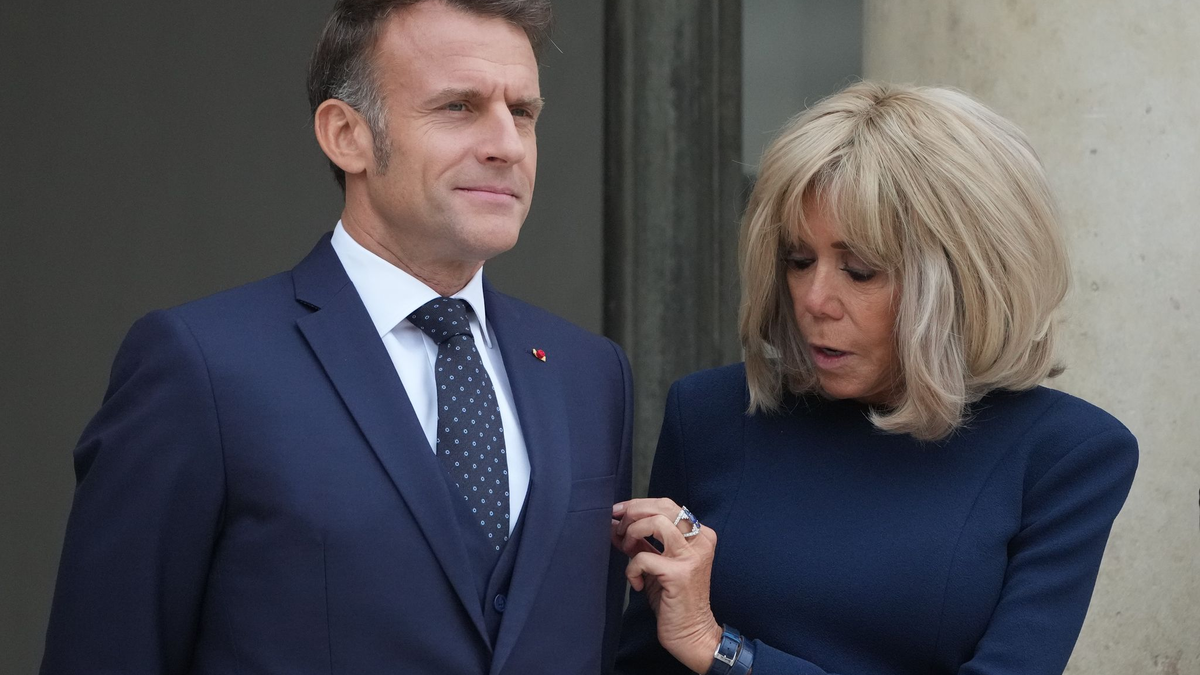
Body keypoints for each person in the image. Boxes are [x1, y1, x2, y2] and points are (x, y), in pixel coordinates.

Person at [40, 1, 632, 673]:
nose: (508, 145)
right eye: (458, 107)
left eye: (522, 112)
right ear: (346, 134)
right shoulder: (201, 367)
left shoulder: (590, 375)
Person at [612, 82, 1137, 675]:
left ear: (967, 278)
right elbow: (642, 661)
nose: (815, 299)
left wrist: (722, 649)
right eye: (798, 260)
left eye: (860, 270)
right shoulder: (710, 413)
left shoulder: (1068, 454)